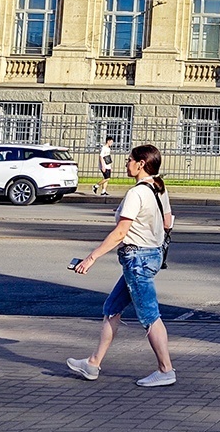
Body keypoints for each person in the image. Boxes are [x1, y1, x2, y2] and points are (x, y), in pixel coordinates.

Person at [67, 144, 176, 387]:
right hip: (149, 256)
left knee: (150, 316)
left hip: (137, 260)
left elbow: (120, 233)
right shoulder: (158, 187)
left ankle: (166, 370)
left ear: (141, 164)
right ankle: (93, 364)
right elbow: (168, 221)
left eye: (129, 160)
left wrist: (92, 257)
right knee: (112, 309)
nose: (126, 163)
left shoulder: (137, 193)